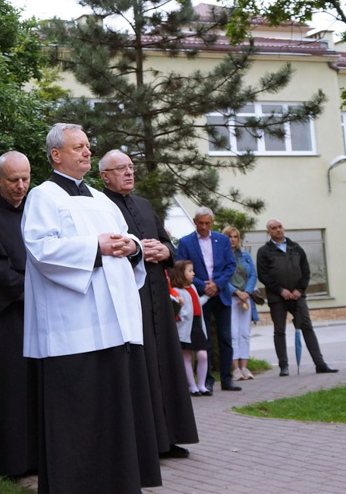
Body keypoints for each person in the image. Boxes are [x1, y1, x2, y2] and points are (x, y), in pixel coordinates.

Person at [22, 123, 161, 494]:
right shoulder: (43, 197)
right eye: (78, 147)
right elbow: (42, 250)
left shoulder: (102, 200)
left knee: (113, 414)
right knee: (78, 418)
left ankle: (116, 482)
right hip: (72, 328)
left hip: (114, 327)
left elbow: (127, 240)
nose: (86, 151)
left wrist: (131, 247)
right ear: (56, 155)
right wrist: (95, 247)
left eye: (88, 146)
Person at [100, 149, 198, 460]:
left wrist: (164, 252)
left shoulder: (143, 205)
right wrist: (141, 251)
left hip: (158, 297)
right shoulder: (100, 207)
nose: (129, 173)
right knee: (141, 370)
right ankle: (147, 442)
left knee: (166, 366)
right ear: (104, 176)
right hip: (130, 299)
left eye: (131, 167)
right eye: (120, 169)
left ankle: (171, 437)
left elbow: (170, 243)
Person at [0, 151, 38, 477]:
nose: (20, 187)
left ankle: (39, 454)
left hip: (41, 311)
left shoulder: (37, 210)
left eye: (25, 179)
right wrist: (25, 289)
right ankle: (12, 460)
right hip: (6, 312)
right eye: (13, 180)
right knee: (11, 383)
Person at [257, 219, 339, 376]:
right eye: (274, 228)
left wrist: (299, 290)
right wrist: (281, 290)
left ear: (284, 228)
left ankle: (320, 364)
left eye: (280, 227)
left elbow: (306, 270)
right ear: (269, 232)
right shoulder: (264, 251)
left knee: (307, 327)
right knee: (279, 331)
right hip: (277, 298)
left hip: (297, 296)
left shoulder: (296, 247)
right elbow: (264, 275)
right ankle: (284, 366)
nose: (278, 230)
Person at [176, 207, 239, 392]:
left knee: (225, 338)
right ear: (195, 222)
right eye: (201, 223)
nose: (204, 227)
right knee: (204, 341)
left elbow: (230, 265)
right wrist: (203, 286)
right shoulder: (186, 242)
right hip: (199, 296)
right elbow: (180, 268)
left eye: (207, 223)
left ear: (212, 222)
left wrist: (217, 284)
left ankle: (227, 379)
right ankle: (207, 380)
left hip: (221, 295)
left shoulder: (223, 240)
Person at [169, 260, 211, 396]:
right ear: (181, 273)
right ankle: (192, 386)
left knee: (202, 355)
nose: (193, 274)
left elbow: (196, 304)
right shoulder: (176, 291)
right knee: (186, 356)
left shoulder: (192, 287)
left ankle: (202, 385)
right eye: (190, 271)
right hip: (185, 328)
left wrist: (207, 297)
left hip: (197, 324)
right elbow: (180, 309)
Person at [223, 225, 258, 381]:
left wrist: (246, 292)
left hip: (245, 298)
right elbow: (222, 277)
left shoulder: (245, 256)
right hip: (231, 298)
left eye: (235, 237)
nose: (233, 240)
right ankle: (235, 369)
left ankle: (245, 367)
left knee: (244, 333)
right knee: (233, 334)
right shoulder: (222, 256)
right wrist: (236, 292)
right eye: (230, 237)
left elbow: (252, 275)